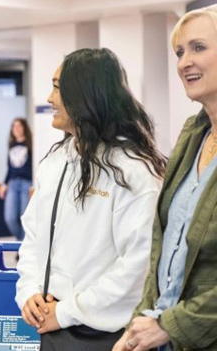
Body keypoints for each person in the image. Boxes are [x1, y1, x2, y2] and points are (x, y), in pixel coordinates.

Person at [14, 48, 166, 351]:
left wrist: (67, 312)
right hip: (52, 325)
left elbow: (138, 266)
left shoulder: (133, 170)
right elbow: (34, 236)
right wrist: (29, 290)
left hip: (109, 335)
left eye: (58, 87)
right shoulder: (57, 161)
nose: (49, 98)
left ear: (85, 94)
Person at [113, 5, 217, 351]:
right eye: (179, 52)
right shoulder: (192, 136)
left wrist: (171, 324)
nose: (184, 61)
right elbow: (164, 247)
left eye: (198, 48)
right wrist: (140, 324)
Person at [0, 117, 33, 240]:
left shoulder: (31, 144)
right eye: (14, 126)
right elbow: (10, 167)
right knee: (10, 218)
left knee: (24, 217)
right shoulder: (11, 145)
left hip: (26, 183)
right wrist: (4, 184)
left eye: (19, 126)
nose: (16, 129)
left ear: (24, 128)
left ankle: (22, 248)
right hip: (12, 183)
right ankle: (21, 243)